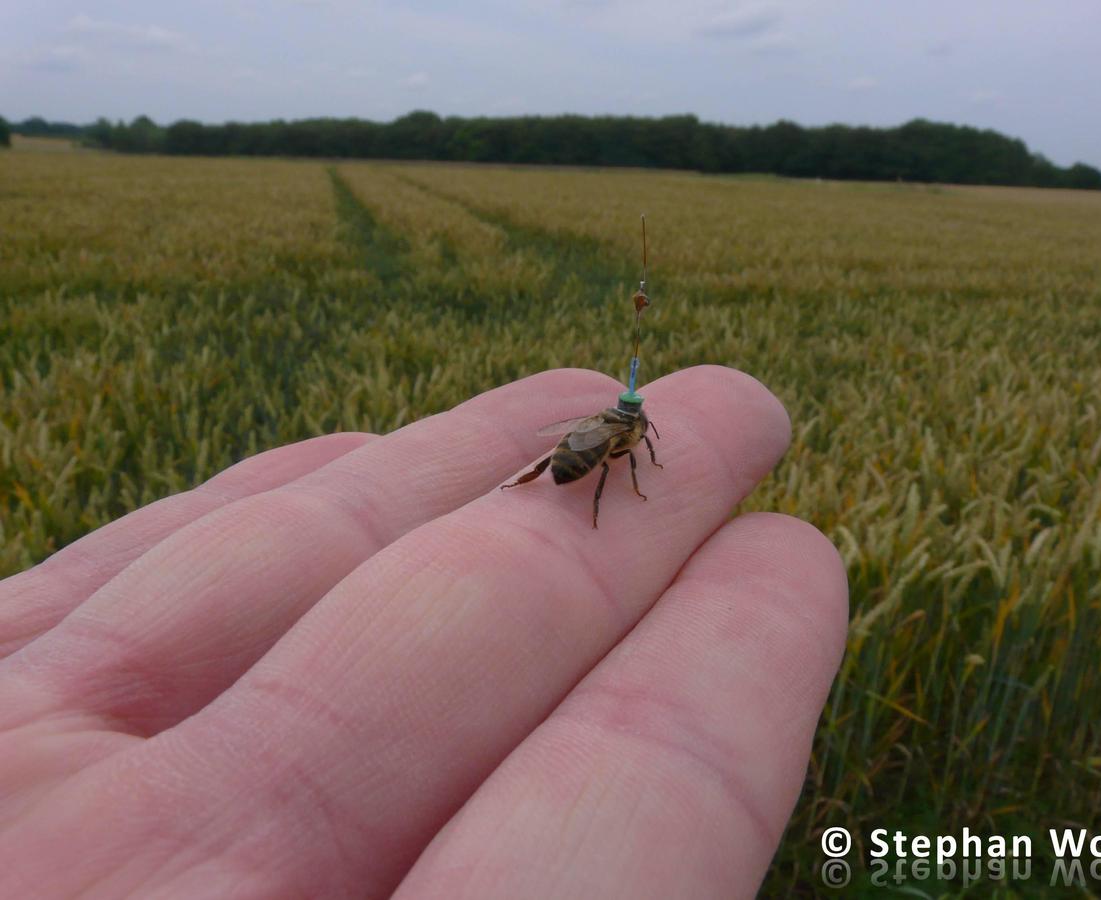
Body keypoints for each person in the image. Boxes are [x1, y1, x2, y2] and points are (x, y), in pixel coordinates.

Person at [0, 366, 847, 898]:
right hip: (565, 466)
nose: (625, 432)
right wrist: (625, 466)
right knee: (587, 478)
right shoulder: (615, 434)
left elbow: (594, 437)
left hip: (561, 459)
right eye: (625, 429)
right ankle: (541, 492)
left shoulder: (606, 425)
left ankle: (531, 488)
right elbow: (612, 444)